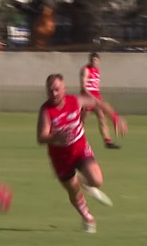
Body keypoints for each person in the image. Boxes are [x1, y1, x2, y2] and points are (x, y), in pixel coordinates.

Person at [38, 73, 128, 233]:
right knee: (72, 190)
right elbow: (41, 137)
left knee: (97, 180)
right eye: (50, 90)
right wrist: (56, 137)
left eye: (57, 90)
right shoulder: (46, 111)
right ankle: (88, 218)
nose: (53, 94)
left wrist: (115, 118)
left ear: (64, 89)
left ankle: (85, 182)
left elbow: (99, 104)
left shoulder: (76, 101)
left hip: (80, 150)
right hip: (61, 158)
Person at [80, 52, 120, 149]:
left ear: (98, 61)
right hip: (88, 97)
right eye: (92, 60)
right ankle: (73, 139)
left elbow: (96, 87)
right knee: (82, 121)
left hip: (97, 97)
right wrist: (91, 97)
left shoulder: (97, 70)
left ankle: (108, 141)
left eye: (95, 60)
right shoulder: (86, 70)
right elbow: (83, 87)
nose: (94, 62)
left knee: (102, 117)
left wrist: (97, 98)